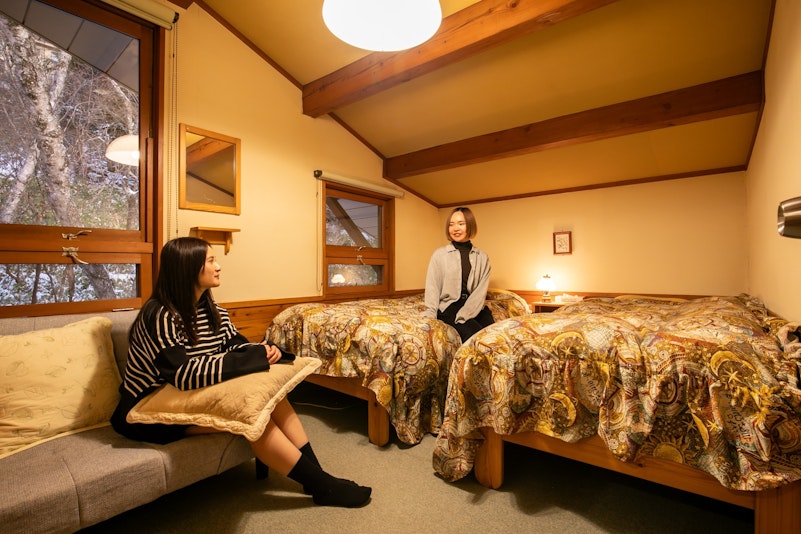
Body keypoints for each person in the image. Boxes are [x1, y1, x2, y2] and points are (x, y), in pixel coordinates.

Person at [110, 237, 371, 508]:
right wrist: (251, 360)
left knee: (273, 398)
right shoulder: (160, 315)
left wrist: (267, 351)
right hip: (146, 408)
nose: (218, 266)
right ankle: (322, 485)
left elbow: (236, 344)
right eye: (211, 261)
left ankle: (316, 478)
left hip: (185, 395)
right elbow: (183, 374)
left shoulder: (212, 311)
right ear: (188, 268)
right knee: (253, 415)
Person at [423, 207, 494, 342]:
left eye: (461, 224)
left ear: (470, 225)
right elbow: (433, 286)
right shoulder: (440, 255)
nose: (455, 228)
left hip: (475, 305)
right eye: (451, 224)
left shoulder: (482, 257)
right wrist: (430, 313)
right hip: (449, 307)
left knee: (495, 336)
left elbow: (480, 292)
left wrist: (467, 312)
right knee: (476, 337)